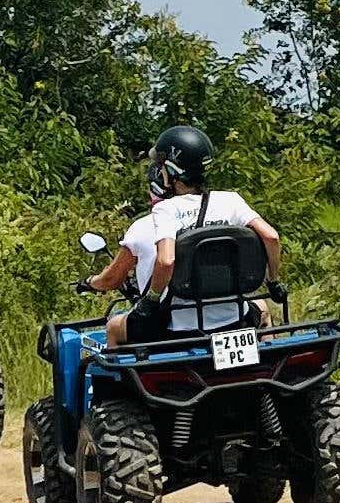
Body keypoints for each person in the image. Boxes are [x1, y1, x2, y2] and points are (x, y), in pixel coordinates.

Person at [82, 126, 282, 345]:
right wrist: (273, 282)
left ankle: (119, 380)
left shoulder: (167, 209)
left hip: (180, 329)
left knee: (113, 328)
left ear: (170, 170)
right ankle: (263, 363)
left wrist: (151, 299)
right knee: (262, 308)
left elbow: (166, 260)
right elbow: (271, 237)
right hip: (235, 320)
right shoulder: (231, 200)